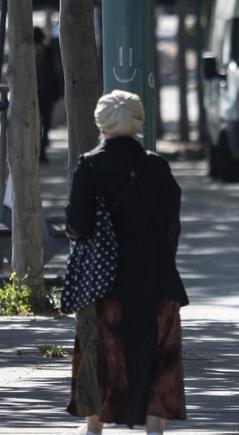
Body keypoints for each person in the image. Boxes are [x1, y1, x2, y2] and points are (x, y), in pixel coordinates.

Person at [65, 90, 188, 434]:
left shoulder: (90, 166)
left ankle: (94, 425)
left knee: (100, 350)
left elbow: (78, 224)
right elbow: (171, 226)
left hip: (104, 283)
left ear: (100, 124)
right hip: (156, 277)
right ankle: (154, 426)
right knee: (158, 355)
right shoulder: (157, 166)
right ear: (139, 123)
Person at [35, 26, 62, 162]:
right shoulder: (47, 51)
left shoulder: (29, 52)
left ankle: (38, 150)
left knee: (37, 124)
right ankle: (42, 150)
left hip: (37, 94)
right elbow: (54, 73)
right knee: (45, 124)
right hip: (46, 93)